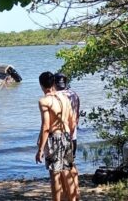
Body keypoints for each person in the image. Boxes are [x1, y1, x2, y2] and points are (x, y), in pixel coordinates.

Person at [35, 71, 77, 201]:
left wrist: (40, 149)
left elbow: (46, 126)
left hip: (54, 139)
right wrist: (68, 138)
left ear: (41, 85)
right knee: (67, 173)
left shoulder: (44, 101)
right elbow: (72, 121)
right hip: (66, 137)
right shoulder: (65, 98)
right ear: (53, 83)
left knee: (55, 176)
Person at [54, 73, 80, 198]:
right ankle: (76, 192)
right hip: (73, 134)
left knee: (61, 169)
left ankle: (66, 195)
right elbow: (77, 116)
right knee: (71, 163)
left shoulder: (57, 96)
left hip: (62, 135)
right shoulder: (74, 94)